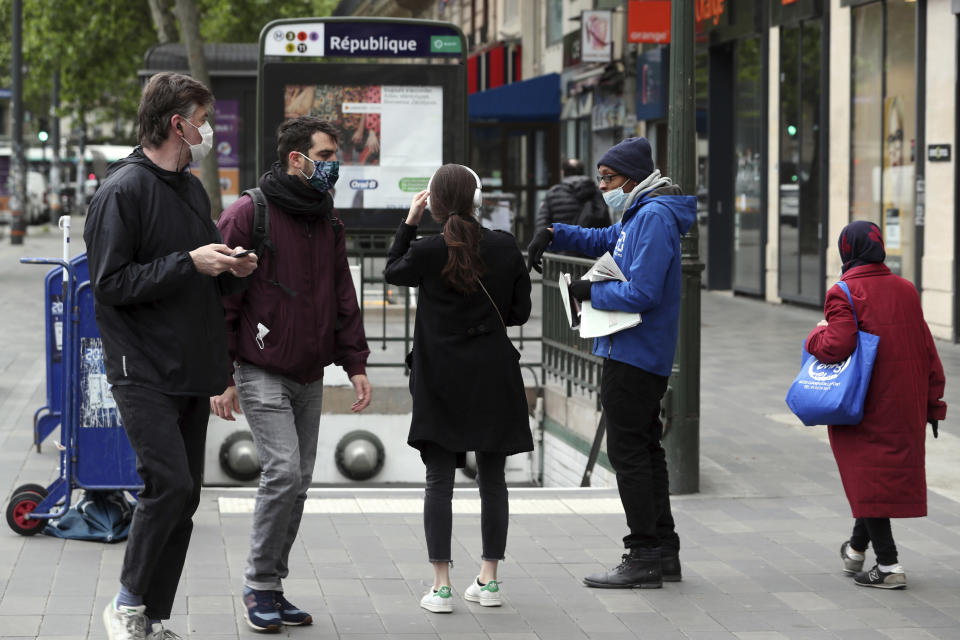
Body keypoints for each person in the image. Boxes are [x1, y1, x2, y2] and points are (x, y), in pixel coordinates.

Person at [85, 72, 258, 640]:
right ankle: (127, 603)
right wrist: (191, 262)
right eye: (203, 121)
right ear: (178, 124)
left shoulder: (191, 188)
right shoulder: (121, 191)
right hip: (141, 367)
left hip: (190, 366)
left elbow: (194, 271)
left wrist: (229, 270)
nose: (208, 132)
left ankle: (151, 619)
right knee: (170, 484)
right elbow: (110, 284)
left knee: (186, 497)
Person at [211, 116, 372, 631]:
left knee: (299, 481)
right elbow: (217, 300)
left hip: (309, 371)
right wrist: (222, 374)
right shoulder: (247, 213)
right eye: (325, 156)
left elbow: (342, 296)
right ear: (296, 159)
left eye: (334, 155)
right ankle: (257, 585)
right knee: (281, 472)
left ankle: (272, 587)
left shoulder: (327, 221)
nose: (334, 165)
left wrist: (356, 362)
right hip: (260, 367)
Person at [526, 137, 696, 589]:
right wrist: (555, 232)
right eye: (600, 178)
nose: (603, 188)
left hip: (635, 352)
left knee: (629, 453)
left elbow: (642, 292)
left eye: (608, 179)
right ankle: (662, 551)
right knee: (644, 449)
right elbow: (608, 240)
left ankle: (642, 554)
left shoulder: (655, 216)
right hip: (634, 349)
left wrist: (588, 291)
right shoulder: (642, 211)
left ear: (633, 179)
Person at [383, 164, 533, 613]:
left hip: (440, 377)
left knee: (439, 481)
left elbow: (392, 270)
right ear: (477, 199)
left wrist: (410, 222)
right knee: (493, 479)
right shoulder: (506, 248)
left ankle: (442, 587)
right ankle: (489, 582)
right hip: (492, 375)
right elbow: (520, 313)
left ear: (435, 202)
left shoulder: (428, 251)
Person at [804, 220, 946, 589]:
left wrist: (814, 335)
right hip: (906, 399)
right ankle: (854, 551)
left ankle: (888, 565)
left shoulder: (844, 291)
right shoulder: (905, 288)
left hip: (863, 401)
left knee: (867, 475)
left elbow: (836, 346)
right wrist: (933, 401)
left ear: (846, 251)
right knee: (870, 476)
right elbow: (927, 347)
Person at [535, 157, 610, 234]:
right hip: (590, 242)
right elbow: (606, 222)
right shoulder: (596, 191)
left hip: (561, 242)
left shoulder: (553, 193)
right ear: (583, 172)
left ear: (563, 173)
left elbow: (542, 223)